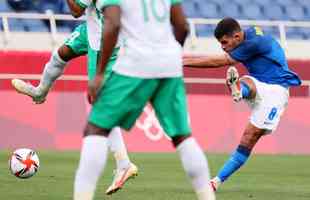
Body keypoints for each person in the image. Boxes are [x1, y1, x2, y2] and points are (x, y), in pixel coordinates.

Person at [73, 0, 216, 200]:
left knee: (96, 129)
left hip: (135, 63)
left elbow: (112, 24)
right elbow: (182, 26)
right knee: (183, 137)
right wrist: (170, 55)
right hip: (169, 63)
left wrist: (98, 74)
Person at [11, 22, 137, 196]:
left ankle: (124, 164)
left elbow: (76, 9)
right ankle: (40, 92)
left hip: (102, 37)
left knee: (99, 103)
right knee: (60, 55)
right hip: (92, 28)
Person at [183, 17, 301, 191]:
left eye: (224, 42)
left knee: (249, 138)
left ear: (237, 36)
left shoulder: (252, 43)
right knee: (246, 80)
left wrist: (182, 62)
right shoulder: (249, 34)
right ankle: (239, 90)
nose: (222, 46)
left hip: (277, 91)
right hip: (259, 83)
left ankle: (216, 181)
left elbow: (220, 61)